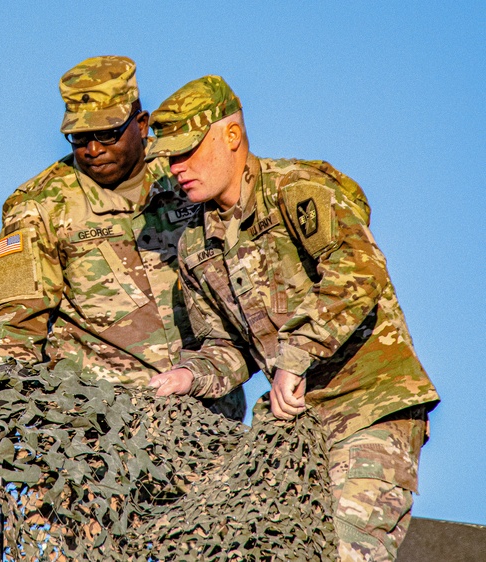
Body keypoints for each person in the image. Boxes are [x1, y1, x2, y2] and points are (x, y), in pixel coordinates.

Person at [144, 75, 440, 561]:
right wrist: (187, 376)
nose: (177, 168)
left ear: (232, 137)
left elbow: (359, 269)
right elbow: (226, 351)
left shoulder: (295, 191)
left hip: (369, 409)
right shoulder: (195, 247)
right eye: (170, 158)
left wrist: (296, 355)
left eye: (188, 152)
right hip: (290, 430)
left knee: (345, 550)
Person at [0, 56, 245, 420]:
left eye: (107, 133)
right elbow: (9, 333)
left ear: (142, 124)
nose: (93, 149)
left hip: (209, 422)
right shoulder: (37, 207)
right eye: (79, 137)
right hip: (101, 436)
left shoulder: (188, 177)